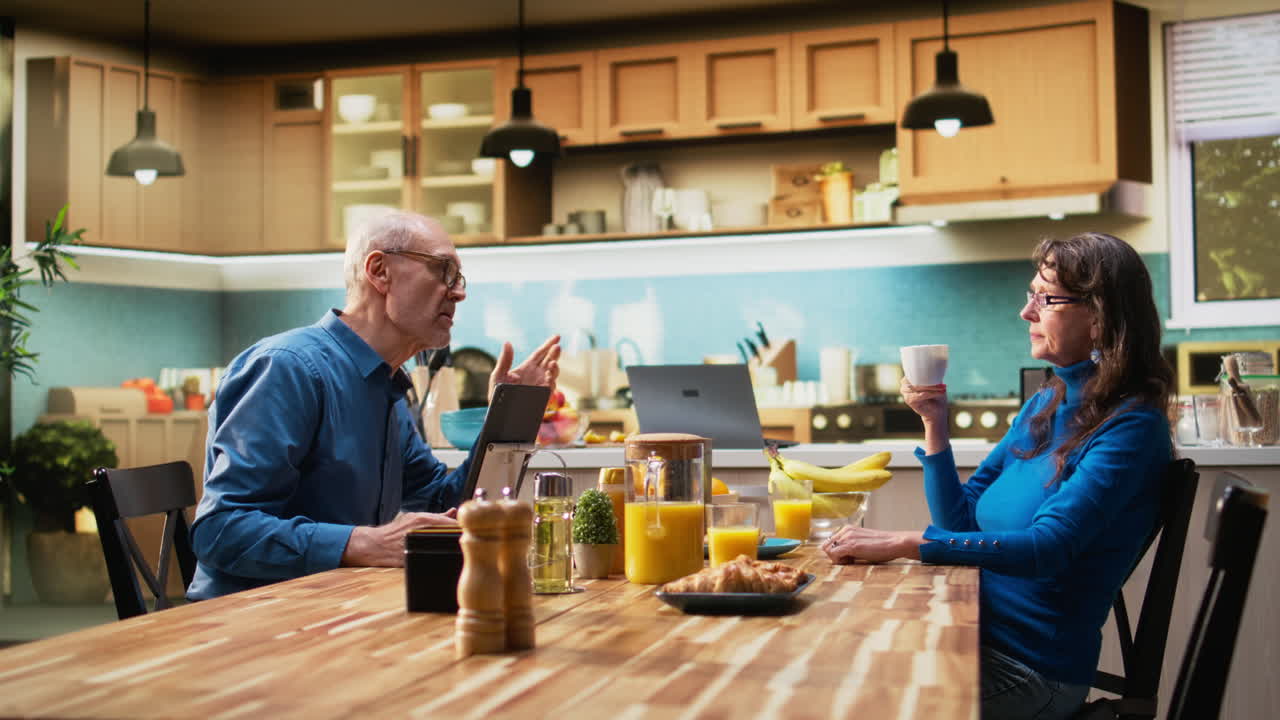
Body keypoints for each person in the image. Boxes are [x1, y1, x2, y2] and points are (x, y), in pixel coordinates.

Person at [821, 232, 1174, 720]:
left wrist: (905, 542)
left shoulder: (1130, 428)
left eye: (1045, 299)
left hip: (1034, 672)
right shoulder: (1043, 406)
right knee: (827, 674)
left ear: (1099, 317)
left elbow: (1046, 548)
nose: (1026, 313)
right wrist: (934, 424)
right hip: (975, 636)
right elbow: (962, 522)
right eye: (1030, 296)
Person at [187, 211, 560, 600]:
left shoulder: (386, 386)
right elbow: (221, 530)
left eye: (458, 277)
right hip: (247, 626)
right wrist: (363, 543)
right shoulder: (287, 368)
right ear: (379, 270)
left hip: (335, 612)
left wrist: (511, 416)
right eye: (443, 270)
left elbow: (446, 504)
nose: (458, 292)